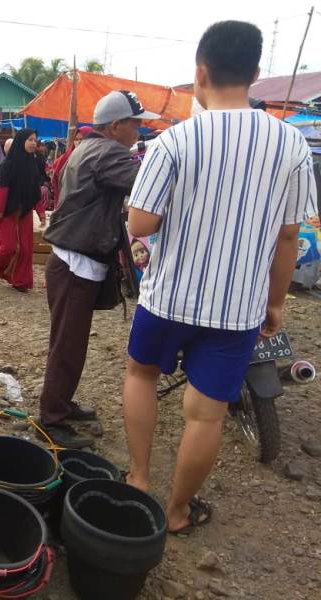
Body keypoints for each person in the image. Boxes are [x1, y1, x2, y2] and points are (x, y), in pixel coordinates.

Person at [123, 21, 317, 535]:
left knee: (141, 376)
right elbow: (287, 238)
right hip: (238, 309)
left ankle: (139, 478)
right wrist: (275, 304)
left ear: (200, 72)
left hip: (167, 297)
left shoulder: (174, 141)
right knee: (205, 416)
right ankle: (178, 511)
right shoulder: (291, 145)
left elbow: (140, 223)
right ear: (255, 73)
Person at [38, 91, 159, 448]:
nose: (140, 129)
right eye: (136, 123)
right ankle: (51, 419)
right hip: (76, 264)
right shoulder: (108, 153)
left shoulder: (89, 147)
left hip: (71, 259)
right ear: (116, 125)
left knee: (68, 341)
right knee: (68, 345)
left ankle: (61, 403)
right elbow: (150, 185)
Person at [0, 129, 45, 292]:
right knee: (8, 246)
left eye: (35, 140)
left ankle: (21, 281)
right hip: (8, 212)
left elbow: (35, 192)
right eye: (30, 139)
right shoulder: (7, 166)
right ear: (21, 141)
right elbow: (3, 191)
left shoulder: (33, 164)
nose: (33, 143)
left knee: (25, 248)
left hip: (25, 212)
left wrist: (41, 213)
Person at [50, 126, 93, 209]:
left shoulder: (96, 160)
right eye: (76, 139)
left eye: (83, 139)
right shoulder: (64, 159)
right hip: (66, 205)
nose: (79, 142)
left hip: (88, 208)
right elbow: (56, 179)